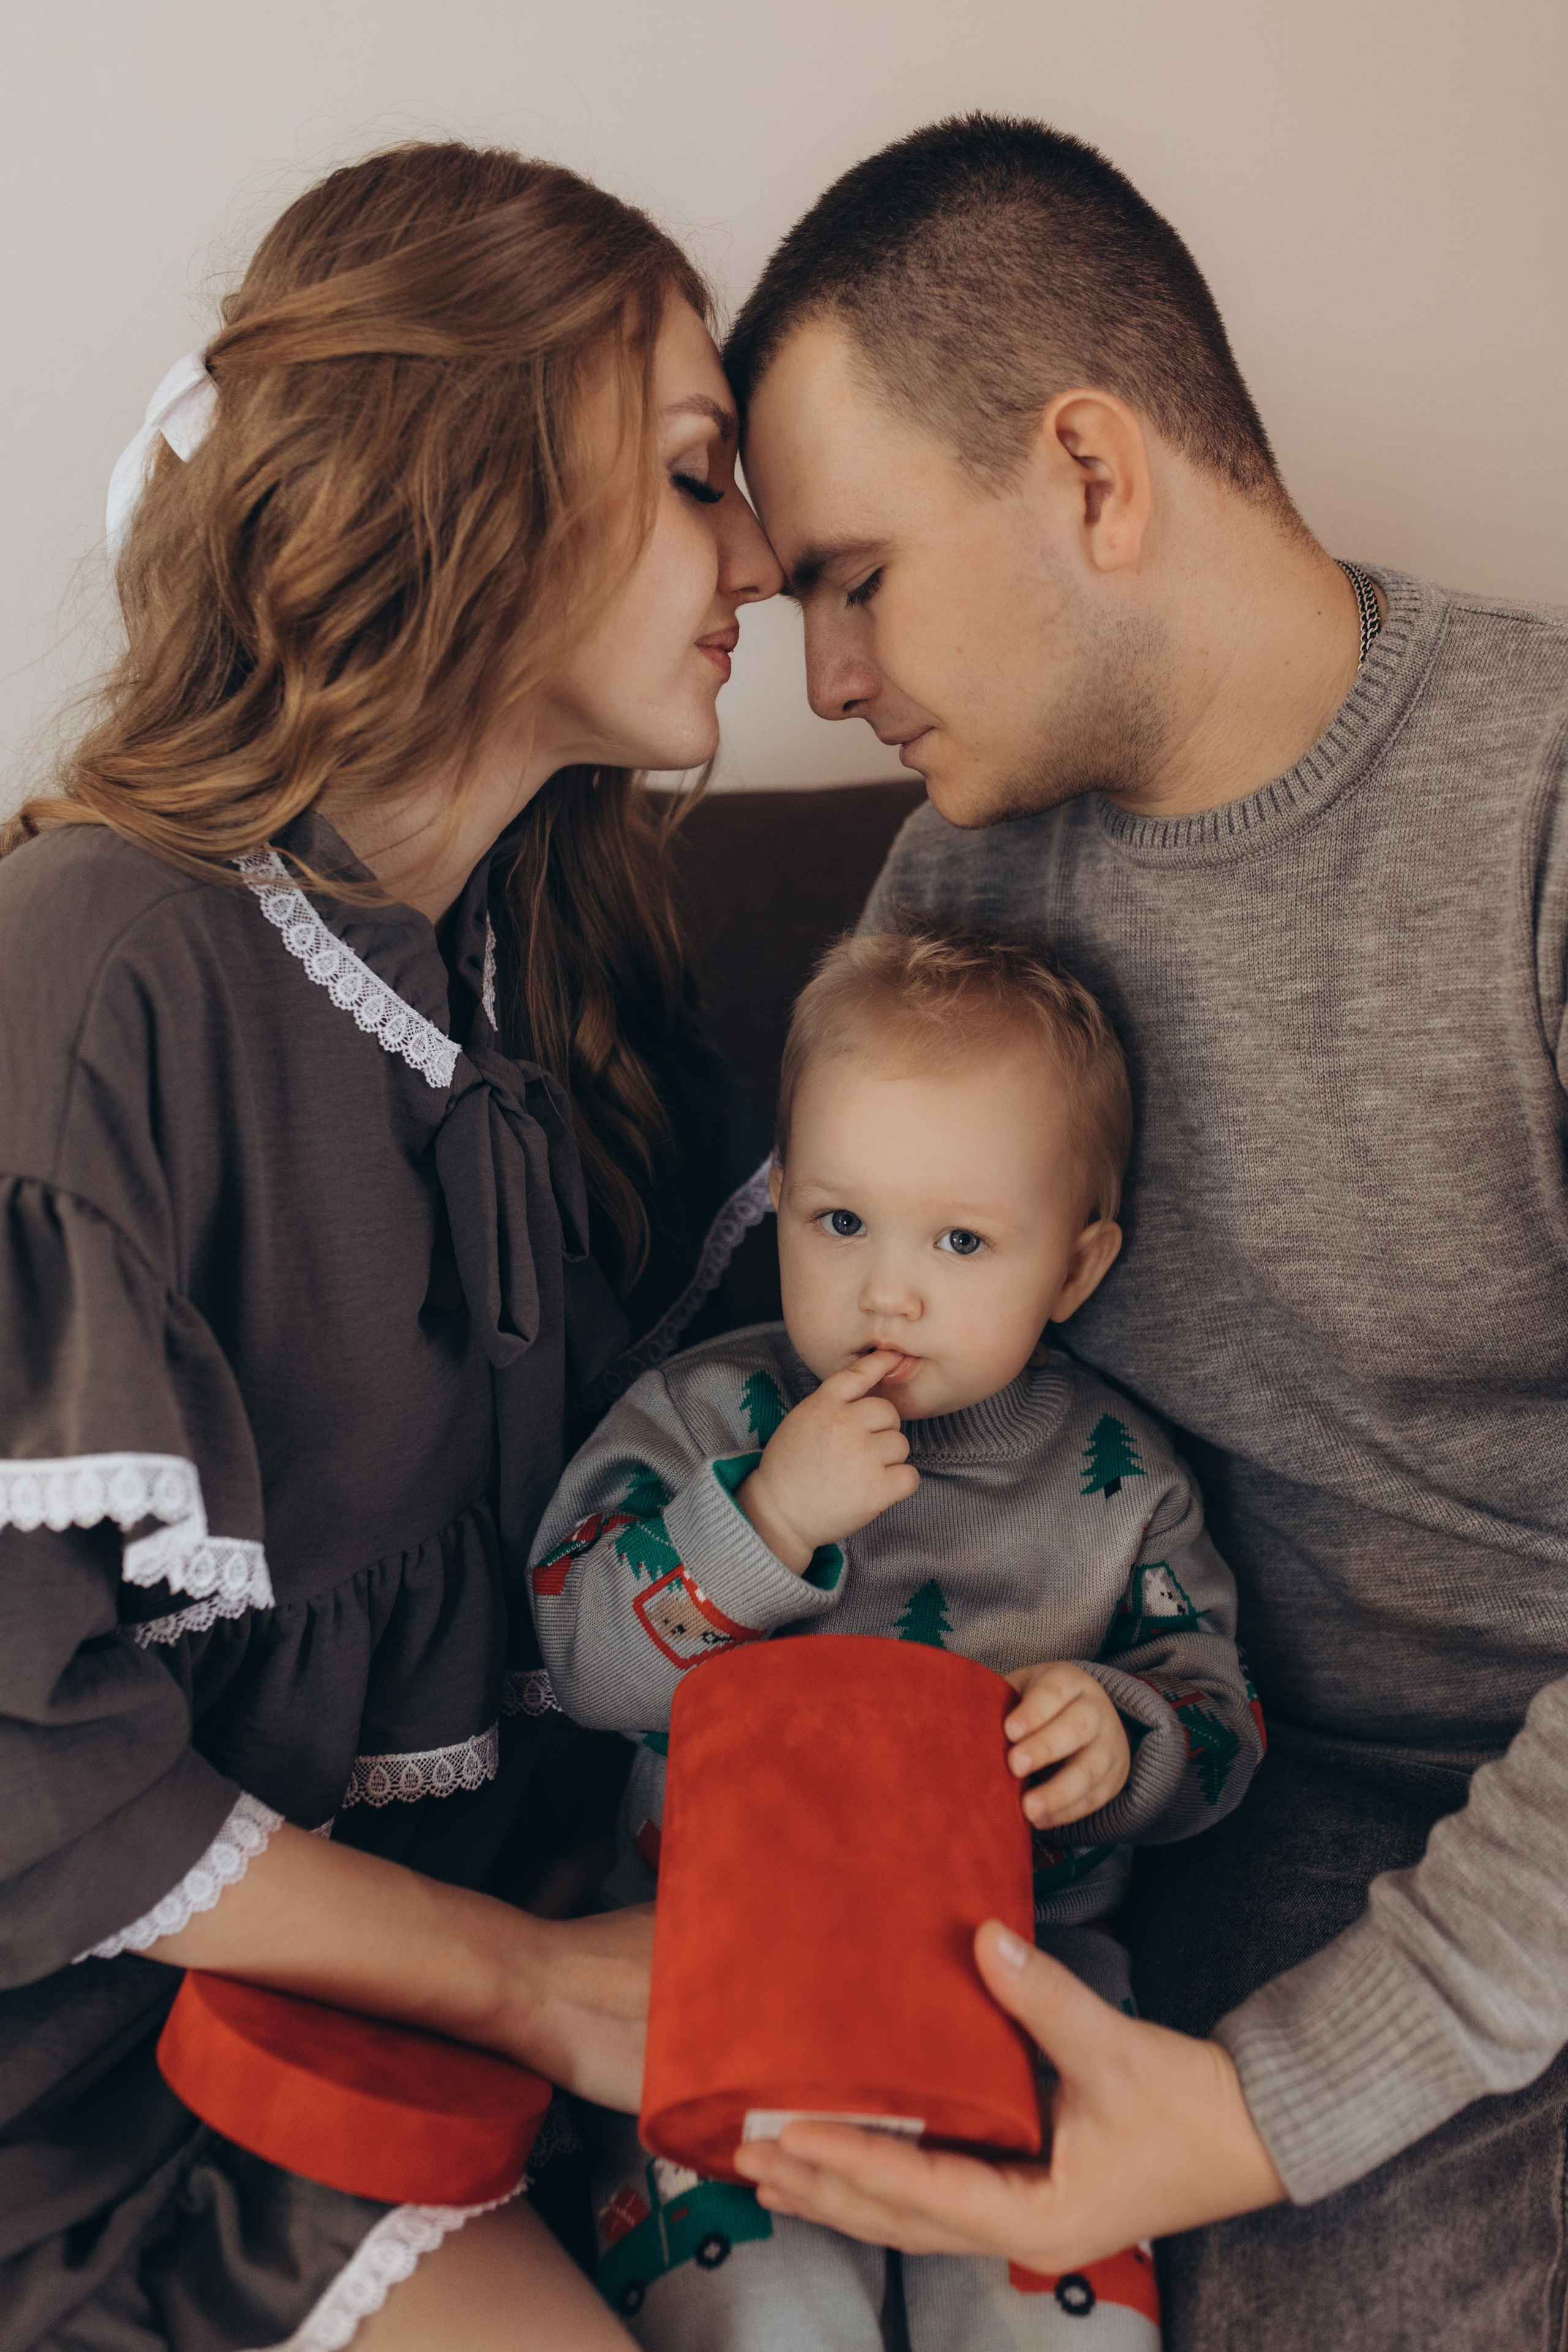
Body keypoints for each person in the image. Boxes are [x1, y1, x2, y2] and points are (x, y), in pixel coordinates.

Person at [719, 113, 1568, 2352]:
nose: (817, 679)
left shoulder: (1549, 817)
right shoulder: (960, 898)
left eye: (855, 577)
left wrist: (1281, 2103)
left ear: (1092, 471)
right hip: (1215, 1778)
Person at [0, 140, 783, 2352]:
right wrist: (538, 1989)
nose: (769, 558)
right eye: (701, 471)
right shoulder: (101, 973)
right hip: (76, 2104)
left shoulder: (554, 965)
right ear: (486, 477)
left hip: (374, 2071)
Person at [531, 921, 1263, 2349]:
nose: (888, 1291)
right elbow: (576, 1665)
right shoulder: (694, 1421)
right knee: (764, 2319)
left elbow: (1223, 1723)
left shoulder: (1122, 1479)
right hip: (718, 2004)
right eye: (840, 1221)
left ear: (1072, 1264)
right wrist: (764, 1523)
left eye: (962, 1240)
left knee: (1062, 2330)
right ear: (785, 1202)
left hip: (1021, 2021)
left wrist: (1127, 1737)